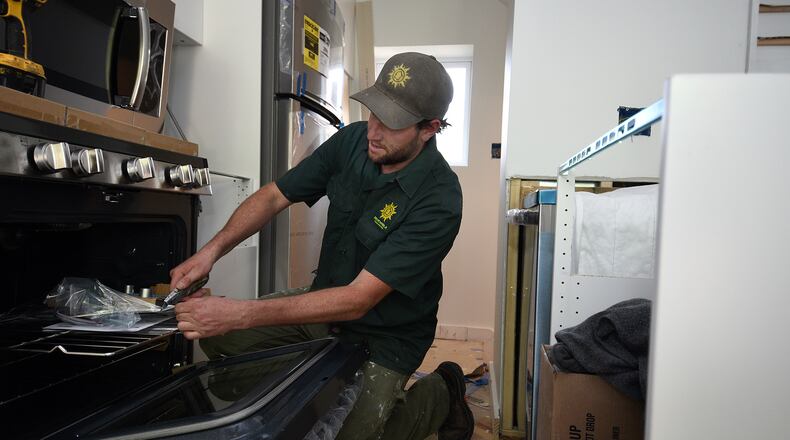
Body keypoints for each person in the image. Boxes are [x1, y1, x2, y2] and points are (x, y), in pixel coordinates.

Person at [170, 52, 473, 440]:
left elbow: (358, 299)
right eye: (373, 113)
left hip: (386, 335)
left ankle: (442, 392)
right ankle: (310, 384)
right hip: (324, 304)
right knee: (212, 336)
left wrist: (240, 313)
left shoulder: (440, 199)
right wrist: (209, 251)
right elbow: (273, 197)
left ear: (429, 129)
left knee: (351, 433)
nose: (374, 131)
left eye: (392, 123)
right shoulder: (351, 142)